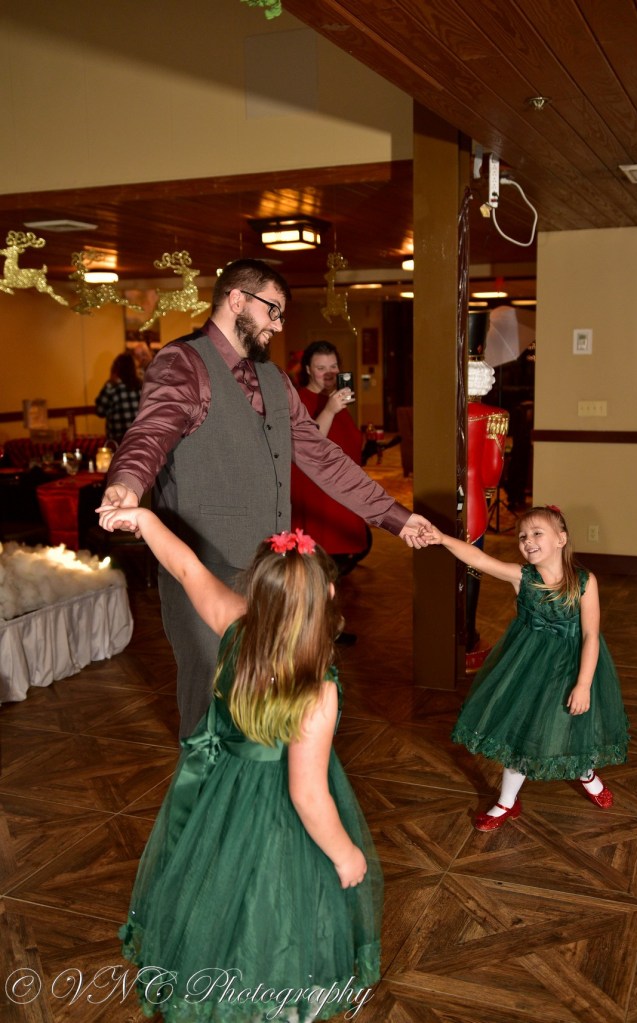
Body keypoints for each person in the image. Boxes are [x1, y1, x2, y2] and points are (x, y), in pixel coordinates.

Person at [99, 259, 429, 737]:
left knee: (265, 703)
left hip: (271, 574)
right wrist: (127, 483)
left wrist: (396, 517)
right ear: (237, 300)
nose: (277, 324)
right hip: (205, 567)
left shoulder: (274, 378)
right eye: (273, 310)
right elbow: (150, 432)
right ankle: (205, 787)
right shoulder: (183, 363)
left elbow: (324, 458)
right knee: (209, 704)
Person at [97, 504, 382, 1023]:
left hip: (221, 789)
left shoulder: (235, 626)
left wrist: (143, 519)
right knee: (276, 904)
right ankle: (273, 1001)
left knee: (218, 888)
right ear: (328, 596)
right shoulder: (316, 692)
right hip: (279, 814)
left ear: (258, 593)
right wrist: (344, 854)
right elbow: (307, 795)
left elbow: (186, 568)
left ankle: (215, 985)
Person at [423, 505, 629, 831]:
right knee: (523, 731)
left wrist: (583, 684)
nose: (527, 540)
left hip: (573, 666)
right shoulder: (523, 577)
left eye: (536, 533)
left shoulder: (585, 582)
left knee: (573, 725)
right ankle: (507, 801)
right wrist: (442, 538)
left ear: (561, 539)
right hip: (529, 665)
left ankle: (586, 772)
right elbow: (479, 560)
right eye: (522, 536)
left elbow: (591, 635)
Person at [291, 341, 371, 578]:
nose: (329, 373)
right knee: (319, 569)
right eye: (321, 368)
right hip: (319, 500)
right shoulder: (300, 400)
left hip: (342, 494)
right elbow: (310, 446)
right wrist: (329, 410)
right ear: (308, 370)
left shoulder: (335, 400)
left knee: (335, 569)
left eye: (333, 366)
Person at [94, 352, 141, 443]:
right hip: (139, 441)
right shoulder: (141, 388)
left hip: (118, 443)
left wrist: (109, 383)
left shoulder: (112, 388)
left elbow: (99, 411)